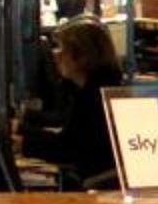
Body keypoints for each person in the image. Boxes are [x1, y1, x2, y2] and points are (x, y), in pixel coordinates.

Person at [21, 20, 126, 184]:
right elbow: (70, 138)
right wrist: (24, 132)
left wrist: (23, 143)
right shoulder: (90, 90)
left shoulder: (96, 97)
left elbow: (71, 150)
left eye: (62, 49)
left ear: (83, 57)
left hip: (96, 187)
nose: (56, 55)